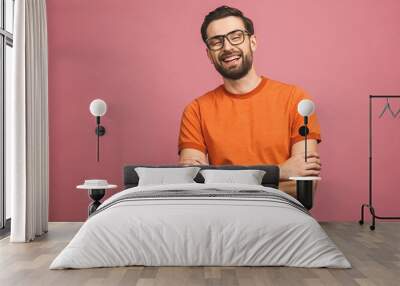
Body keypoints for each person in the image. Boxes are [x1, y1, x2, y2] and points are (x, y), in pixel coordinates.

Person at [177, 6, 321, 196]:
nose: (227, 47)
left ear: (252, 42)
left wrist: (224, 184)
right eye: (216, 41)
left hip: (285, 218)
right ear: (209, 54)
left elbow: (305, 188)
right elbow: (194, 185)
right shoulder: (196, 111)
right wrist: (279, 172)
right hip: (225, 221)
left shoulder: (296, 99)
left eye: (236, 36)